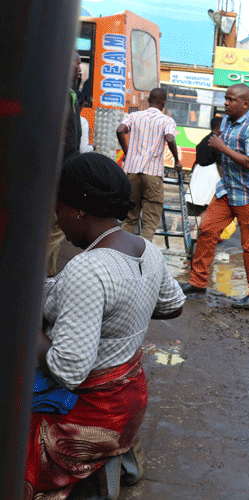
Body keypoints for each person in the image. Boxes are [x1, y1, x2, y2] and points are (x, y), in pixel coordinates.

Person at [27, 153, 185, 498]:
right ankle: (121, 454)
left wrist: (21, 322)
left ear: (77, 210)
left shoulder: (91, 268)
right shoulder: (147, 250)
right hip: (129, 396)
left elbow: (67, 370)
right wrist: (122, 314)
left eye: (58, 206)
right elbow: (173, 304)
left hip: (92, 413)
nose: (57, 216)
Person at [180, 84, 249, 309]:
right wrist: (215, 143)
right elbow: (210, 154)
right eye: (225, 98)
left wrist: (222, 146)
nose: (226, 103)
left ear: (245, 104)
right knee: (207, 230)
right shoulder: (227, 123)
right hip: (228, 190)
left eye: (231, 100)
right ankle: (198, 281)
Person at [116, 87, 182, 241]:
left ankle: (119, 250)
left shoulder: (134, 116)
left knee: (130, 217)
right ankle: (144, 256)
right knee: (150, 220)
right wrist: (177, 160)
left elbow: (120, 130)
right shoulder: (167, 120)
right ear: (163, 103)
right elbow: (170, 139)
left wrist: (128, 153)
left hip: (132, 172)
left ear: (148, 100)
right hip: (153, 174)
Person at [46, 52, 83, 277]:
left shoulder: (68, 93)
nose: (80, 68)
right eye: (77, 63)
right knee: (54, 226)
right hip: (57, 171)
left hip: (63, 169)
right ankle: (42, 275)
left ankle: (46, 275)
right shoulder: (57, 93)